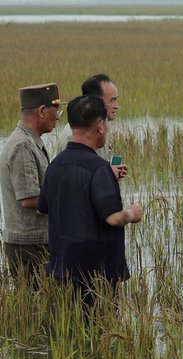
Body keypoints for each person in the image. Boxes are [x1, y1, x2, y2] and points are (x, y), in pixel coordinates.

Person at [38, 95, 142, 308]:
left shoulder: (55, 165)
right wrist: (132, 212)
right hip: (96, 274)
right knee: (100, 328)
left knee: (71, 329)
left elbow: (45, 209)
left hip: (62, 267)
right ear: (101, 127)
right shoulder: (99, 169)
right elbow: (113, 218)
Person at [0, 83, 65, 283]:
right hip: (28, 246)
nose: (58, 117)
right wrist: (68, 203)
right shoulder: (23, 145)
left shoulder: (31, 141)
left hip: (35, 242)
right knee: (36, 308)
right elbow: (29, 199)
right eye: (56, 110)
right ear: (42, 111)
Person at [56, 73, 127, 179]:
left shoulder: (100, 127)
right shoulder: (73, 135)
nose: (117, 106)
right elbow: (76, 180)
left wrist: (111, 172)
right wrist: (107, 174)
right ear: (96, 102)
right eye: (112, 100)